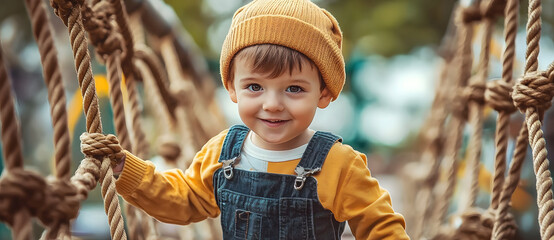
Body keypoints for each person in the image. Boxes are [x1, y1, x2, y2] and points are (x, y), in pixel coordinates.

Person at [83, 0, 409, 238]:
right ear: (232, 88)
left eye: (294, 89)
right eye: (255, 86)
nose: (272, 104)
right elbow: (184, 200)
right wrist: (124, 169)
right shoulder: (225, 151)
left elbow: (380, 226)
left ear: (323, 94)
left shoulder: (337, 163)